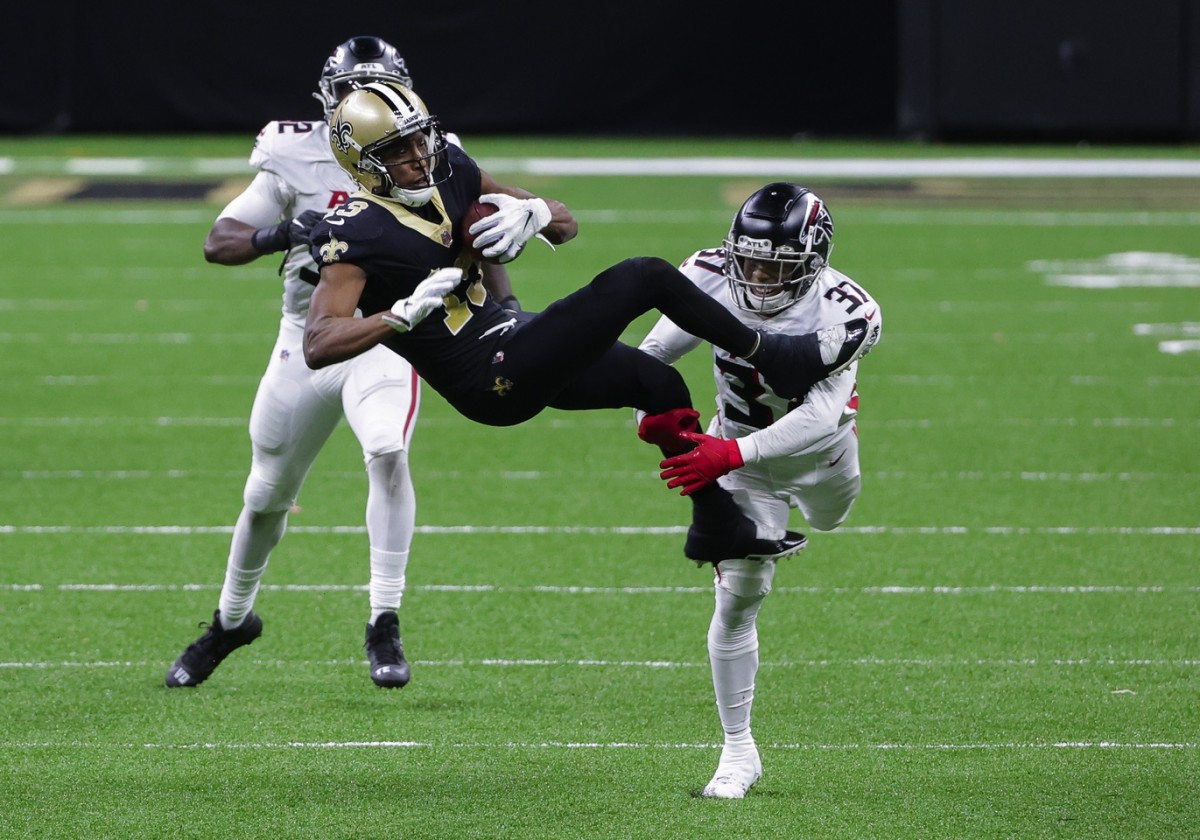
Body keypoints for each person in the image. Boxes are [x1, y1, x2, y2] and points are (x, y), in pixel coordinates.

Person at [302, 81, 879, 573]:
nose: (419, 155)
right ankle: (772, 354)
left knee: (655, 381)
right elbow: (318, 343)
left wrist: (532, 213)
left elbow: (566, 225)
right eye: (399, 149)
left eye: (420, 138)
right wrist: (394, 316)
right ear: (364, 162)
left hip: (508, 332)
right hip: (486, 378)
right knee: (644, 276)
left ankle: (716, 524)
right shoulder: (357, 234)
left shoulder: (451, 168)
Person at [165, 37, 517, 691]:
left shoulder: (428, 150)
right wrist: (282, 232)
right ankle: (231, 621)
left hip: (391, 334)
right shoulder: (295, 153)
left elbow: (477, 219)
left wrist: (510, 308)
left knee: (387, 448)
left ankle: (384, 620)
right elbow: (220, 240)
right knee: (266, 494)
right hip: (307, 339)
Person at [637, 183, 882, 798]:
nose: (760, 277)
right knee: (739, 599)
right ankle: (738, 751)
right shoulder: (713, 274)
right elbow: (653, 355)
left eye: (777, 265)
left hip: (821, 458)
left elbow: (821, 415)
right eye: (750, 260)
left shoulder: (847, 309)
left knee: (830, 519)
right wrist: (653, 414)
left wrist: (729, 451)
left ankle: (789, 518)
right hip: (739, 458)